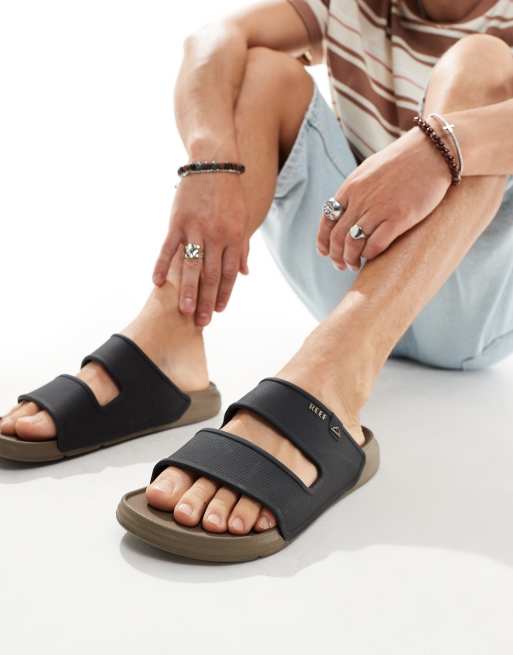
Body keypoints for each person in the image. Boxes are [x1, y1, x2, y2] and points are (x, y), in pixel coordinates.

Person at [2, 0, 513, 560]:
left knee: (482, 63)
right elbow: (212, 38)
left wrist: (442, 146)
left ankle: (333, 376)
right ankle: (170, 343)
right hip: (346, 264)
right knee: (263, 71)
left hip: (473, 304)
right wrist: (209, 162)